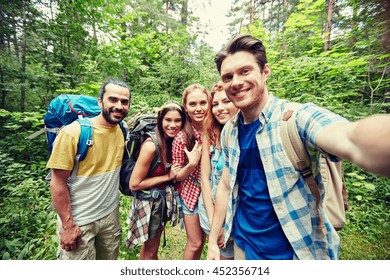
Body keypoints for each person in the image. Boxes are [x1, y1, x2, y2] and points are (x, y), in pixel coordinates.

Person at [207, 34, 390, 260]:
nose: (235, 82)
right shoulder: (230, 131)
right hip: (244, 249)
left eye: (245, 71)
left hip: (298, 252)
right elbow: (225, 186)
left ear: (265, 72)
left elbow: (347, 136)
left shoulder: (296, 119)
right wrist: (213, 241)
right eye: (228, 77)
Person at [47, 78, 131, 260]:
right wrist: (68, 226)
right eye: (113, 100)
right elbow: (57, 182)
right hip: (80, 221)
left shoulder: (121, 130)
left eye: (124, 102)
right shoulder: (73, 133)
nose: (119, 106)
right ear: (100, 101)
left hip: (110, 217)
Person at [125, 101, 185, 260]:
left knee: (152, 246)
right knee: (151, 248)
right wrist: (168, 177)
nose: (173, 125)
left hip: (160, 200)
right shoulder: (151, 146)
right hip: (150, 202)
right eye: (168, 120)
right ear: (160, 121)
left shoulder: (173, 141)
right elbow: (134, 184)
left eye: (177, 120)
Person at [198, 81, 238, 260]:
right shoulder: (209, 132)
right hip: (211, 207)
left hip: (237, 214)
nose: (219, 108)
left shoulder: (246, 134)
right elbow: (205, 179)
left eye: (226, 101)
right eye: (215, 104)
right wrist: (216, 223)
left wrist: (226, 224)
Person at [172, 84, 210, 259]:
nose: (198, 108)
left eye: (203, 103)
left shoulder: (217, 129)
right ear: (185, 107)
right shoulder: (182, 137)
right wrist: (192, 163)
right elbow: (177, 176)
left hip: (214, 191)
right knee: (195, 243)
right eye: (193, 104)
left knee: (211, 240)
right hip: (192, 194)